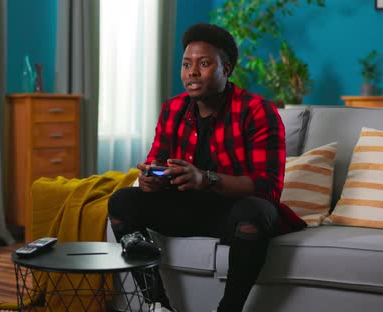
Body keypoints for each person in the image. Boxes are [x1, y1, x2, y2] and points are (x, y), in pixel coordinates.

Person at [107, 23, 307, 312]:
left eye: (204, 64)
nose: (192, 72)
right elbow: (157, 162)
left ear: (226, 69)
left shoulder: (257, 111)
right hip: (185, 208)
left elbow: (268, 187)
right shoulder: (173, 109)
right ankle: (156, 305)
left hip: (231, 214)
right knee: (122, 200)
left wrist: (205, 179)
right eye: (187, 64)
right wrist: (151, 178)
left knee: (256, 211)